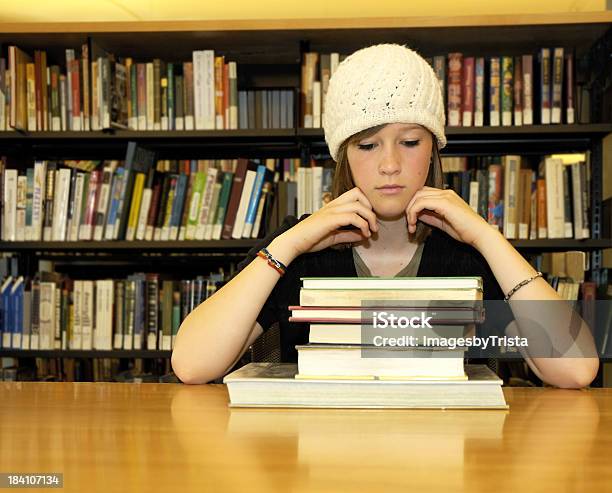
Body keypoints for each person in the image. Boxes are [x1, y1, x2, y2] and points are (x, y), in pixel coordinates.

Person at [172, 44, 599, 387]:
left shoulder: (470, 251)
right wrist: (287, 246)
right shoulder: (300, 248)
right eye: (368, 145)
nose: (390, 165)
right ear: (343, 157)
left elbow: (576, 370)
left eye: (410, 141)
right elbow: (191, 365)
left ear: (434, 147)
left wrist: (488, 239)